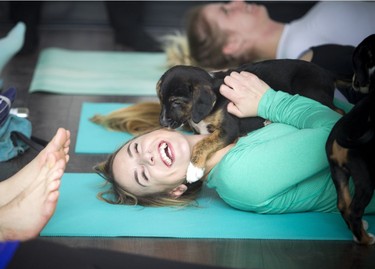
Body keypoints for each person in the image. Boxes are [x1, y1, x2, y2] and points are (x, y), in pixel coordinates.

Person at [94, 71, 375, 215]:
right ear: (176, 190)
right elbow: (342, 133)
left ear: (150, 134)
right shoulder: (239, 177)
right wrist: (267, 100)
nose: (147, 157)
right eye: (143, 173)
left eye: (135, 148)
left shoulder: (213, 114)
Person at [164, 1, 375, 71]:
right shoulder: (305, 59)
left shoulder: (301, 34)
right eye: (227, 11)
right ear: (232, 44)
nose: (237, 2)